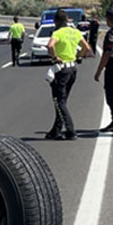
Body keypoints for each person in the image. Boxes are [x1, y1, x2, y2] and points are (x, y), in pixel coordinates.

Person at [42, 12, 92, 140]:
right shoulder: (75, 32)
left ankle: (71, 131)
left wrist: (55, 57)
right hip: (73, 68)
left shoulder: (58, 33)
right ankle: (55, 130)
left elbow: (50, 45)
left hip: (61, 69)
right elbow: (86, 47)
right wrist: (78, 56)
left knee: (59, 102)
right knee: (62, 101)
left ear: (57, 21)